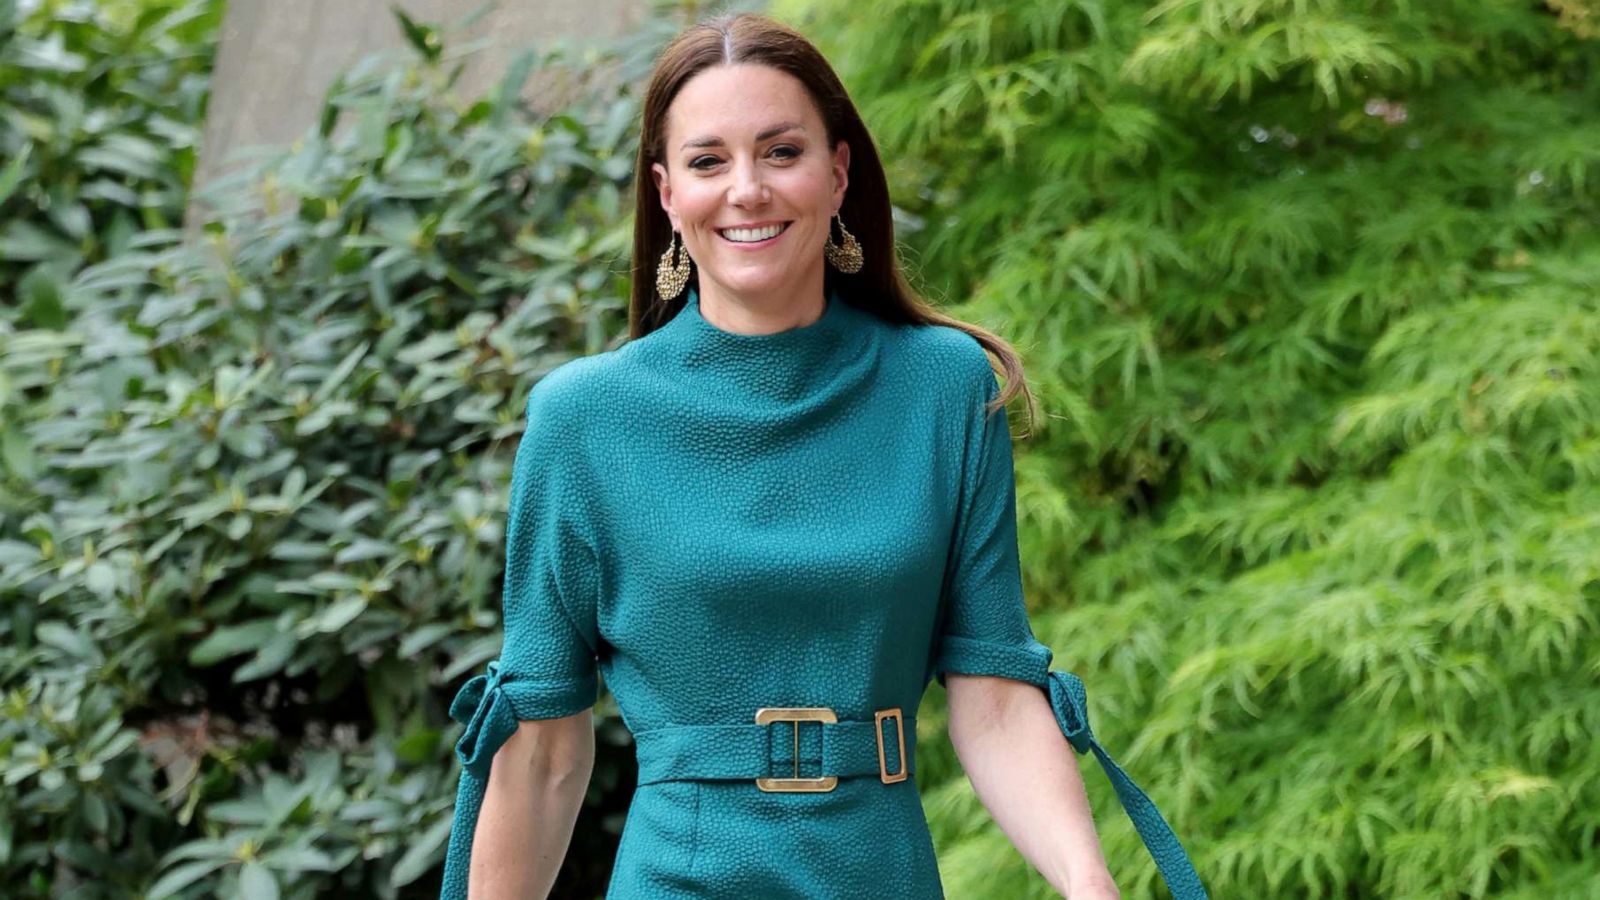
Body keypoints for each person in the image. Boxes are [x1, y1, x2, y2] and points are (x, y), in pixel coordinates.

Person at [438, 12, 1205, 900]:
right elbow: (539, 751)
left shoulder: (947, 389)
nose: (748, 189)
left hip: (882, 872)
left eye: (781, 151)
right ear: (666, 195)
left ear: (838, 173)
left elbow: (993, 694)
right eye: (708, 161)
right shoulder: (582, 420)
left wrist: (1087, 881)